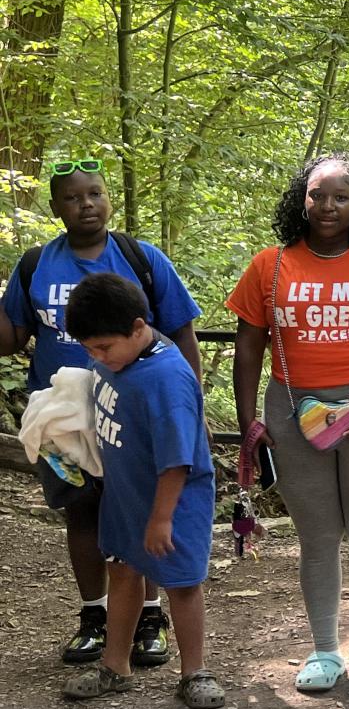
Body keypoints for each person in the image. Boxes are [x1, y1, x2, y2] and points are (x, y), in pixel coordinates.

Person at [229, 154, 349, 694]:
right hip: (291, 413)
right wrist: (248, 420)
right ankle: (323, 651)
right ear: (303, 198)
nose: (328, 206)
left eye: (342, 197)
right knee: (316, 539)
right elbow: (248, 346)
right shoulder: (270, 265)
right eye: (318, 194)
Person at [0, 159, 202, 667]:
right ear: (56, 208)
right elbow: (12, 338)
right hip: (64, 420)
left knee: (140, 509)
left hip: (132, 413)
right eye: (72, 198)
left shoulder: (141, 258)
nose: (86, 204)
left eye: (94, 193)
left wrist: (190, 406)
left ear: (108, 198)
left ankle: (150, 620)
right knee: (82, 512)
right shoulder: (36, 265)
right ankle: (95, 616)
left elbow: (180, 332)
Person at [59, 274, 222, 709]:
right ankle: (115, 666)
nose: (97, 357)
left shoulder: (166, 379)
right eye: (89, 349)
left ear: (137, 328)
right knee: (123, 570)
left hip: (174, 502)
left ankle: (194, 672)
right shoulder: (115, 362)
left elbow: (178, 460)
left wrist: (162, 517)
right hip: (125, 494)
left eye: (103, 348)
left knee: (182, 582)